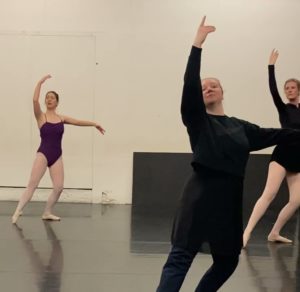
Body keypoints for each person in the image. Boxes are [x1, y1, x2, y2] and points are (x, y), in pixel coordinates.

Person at [156, 17, 300, 292]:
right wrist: (197, 45)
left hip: (229, 199)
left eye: (213, 85)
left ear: (223, 92)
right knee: (180, 257)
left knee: (227, 260)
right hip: (200, 195)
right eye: (203, 87)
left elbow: (281, 134)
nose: (208, 88)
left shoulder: (241, 127)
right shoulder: (197, 120)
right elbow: (189, 85)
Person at [12, 75, 105, 224]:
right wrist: (39, 83)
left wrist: (94, 124)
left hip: (57, 156)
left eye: (52, 98)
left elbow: (78, 121)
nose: (49, 99)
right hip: (43, 154)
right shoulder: (41, 117)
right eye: (47, 97)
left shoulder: (61, 118)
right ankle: (18, 210)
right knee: (32, 184)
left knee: (59, 187)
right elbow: (35, 100)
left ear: (57, 102)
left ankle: (47, 212)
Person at [243, 50, 300, 247]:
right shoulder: (284, 109)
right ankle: (247, 232)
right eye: (287, 88)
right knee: (269, 193)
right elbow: (273, 90)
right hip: (283, 154)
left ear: (298, 90)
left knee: (296, 200)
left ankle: (274, 232)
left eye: (293, 87)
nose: (289, 90)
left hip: (298, 159)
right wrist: (271, 66)